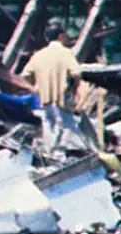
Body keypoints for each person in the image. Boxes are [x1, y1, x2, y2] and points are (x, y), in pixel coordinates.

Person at [22, 21, 82, 155]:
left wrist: (36, 86)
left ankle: (48, 154)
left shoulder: (38, 55)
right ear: (60, 36)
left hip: (45, 98)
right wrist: (76, 91)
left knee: (49, 126)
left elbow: (25, 75)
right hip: (63, 97)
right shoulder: (66, 53)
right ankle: (62, 155)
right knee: (68, 126)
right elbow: (76, 73)